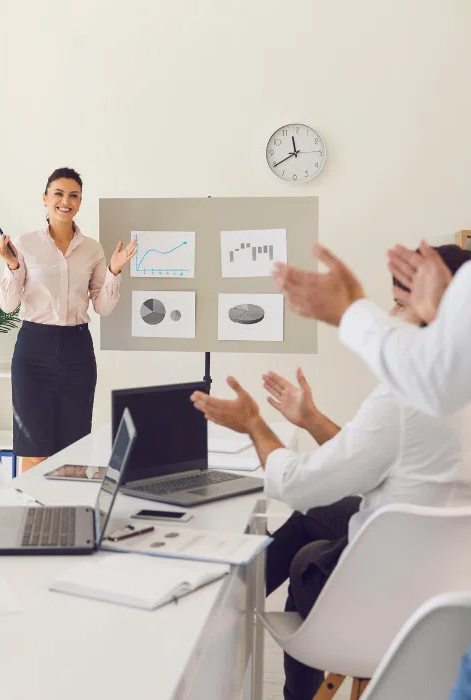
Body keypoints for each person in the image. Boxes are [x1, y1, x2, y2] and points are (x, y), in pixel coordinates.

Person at [191, 244, 471, 700]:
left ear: (437, 311)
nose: (390, 314)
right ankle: (232, 597)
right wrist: (313, 421)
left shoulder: (402, 398)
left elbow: (295, 485)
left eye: (402, 302)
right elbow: (384, 463)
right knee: (316, 518)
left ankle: (225, 608)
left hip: (384, 594)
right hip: (449, 584)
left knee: (308, 552)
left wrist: (254, 424)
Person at [0, 168, 137, 471]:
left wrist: (113, 271)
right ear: (45, 199)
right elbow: (7, 305)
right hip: (33, 350)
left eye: (73, 195)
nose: (65, 201)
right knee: (33, 449)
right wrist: (11, 266)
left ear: (80, 201)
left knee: (74, 449)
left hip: (76, 350)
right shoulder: (25, 244)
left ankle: (67, 516)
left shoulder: (92, 249)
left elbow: (103, 307)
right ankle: (34, 514)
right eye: (58, 194)